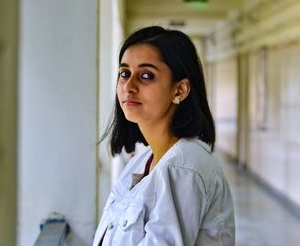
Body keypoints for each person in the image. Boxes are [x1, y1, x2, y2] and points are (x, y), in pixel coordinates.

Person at [93, 26, 235, 246]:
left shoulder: (183, 168)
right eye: (124, 73)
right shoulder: (144, 160)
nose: (129, 86)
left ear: (179, 90)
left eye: (146, 76)